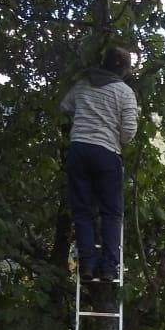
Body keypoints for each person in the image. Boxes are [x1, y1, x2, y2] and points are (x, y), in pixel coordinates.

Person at [60, 46, 138, 283]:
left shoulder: (83, 84)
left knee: (82, 212)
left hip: (79, 149)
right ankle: (108, 267)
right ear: (124, 69)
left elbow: (65, 107)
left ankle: (87, 265)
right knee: (111, 213)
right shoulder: (124, 92)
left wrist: (83, 118)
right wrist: (117, 137)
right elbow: (129, 131)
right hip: (106, 152)